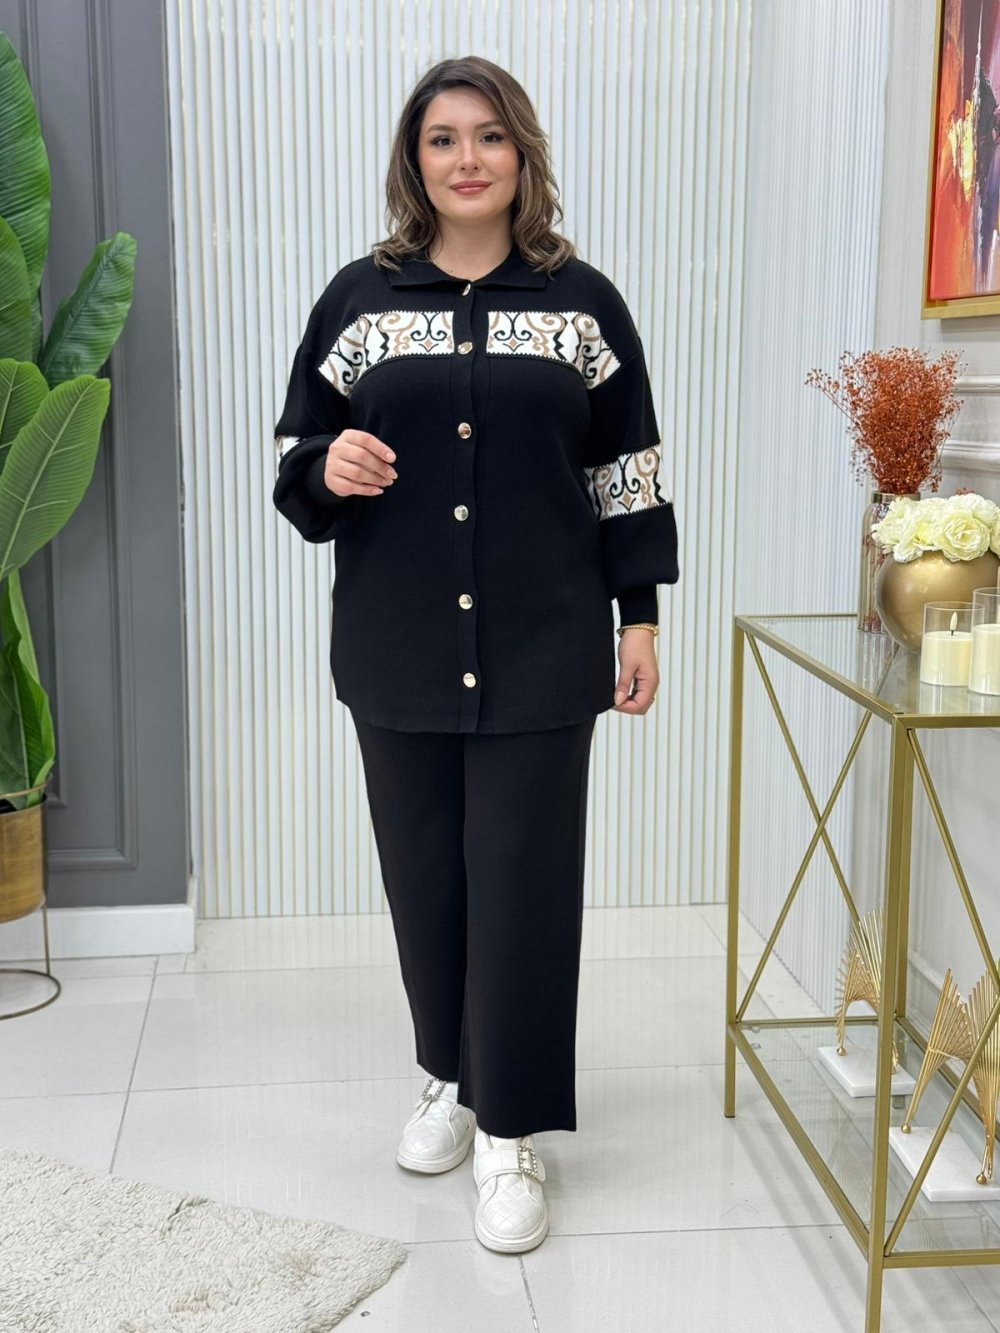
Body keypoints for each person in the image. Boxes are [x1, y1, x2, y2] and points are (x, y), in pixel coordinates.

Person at [272, 55, 679, 1255]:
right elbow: (299, 459)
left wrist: (639, 617)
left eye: (488, 137)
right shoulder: (358, 300)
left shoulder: (582, 304)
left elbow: (626, 471)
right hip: (395, 645)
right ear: (415, 160)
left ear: (521, 155)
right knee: (426, 880)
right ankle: (448, 1076)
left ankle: (508, 1129)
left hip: (544, 646)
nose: (466, 159)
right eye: (442, 138)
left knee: (521, 882)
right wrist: (328, 467)